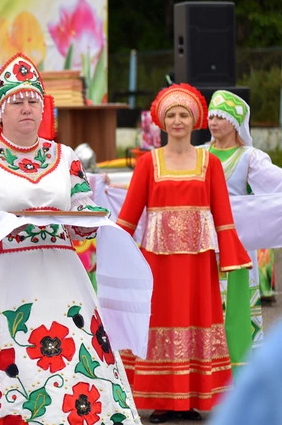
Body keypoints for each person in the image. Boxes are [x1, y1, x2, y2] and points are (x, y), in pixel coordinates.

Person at [0, 54, 140, 424]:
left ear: (43, 108)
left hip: (61, 276)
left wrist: (87, 221)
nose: (26, 108)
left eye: (33, 100)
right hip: (3, 276)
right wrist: (8, 222)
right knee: (5, 365)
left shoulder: (65, 157)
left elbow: (83, 216)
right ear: (0, 113)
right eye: (16, 102)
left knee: (73, 365)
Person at [116, 83, 252, 423]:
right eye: (172, 115)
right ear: (162, 122)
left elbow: (223, 216)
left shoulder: (210, 164)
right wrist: (110, 251)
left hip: (198, 264)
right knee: (159, 321)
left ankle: (193, 397)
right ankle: (162, 401)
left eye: (184, 115)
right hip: (157, 265)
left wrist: (233, 257)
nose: (178, 121)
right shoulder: (148, 163)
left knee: (196, 320)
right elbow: (129, 216)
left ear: (195, 121)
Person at [204, 90, 282, 364]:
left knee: (237, 306)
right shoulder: (200, 154)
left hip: (236, 242)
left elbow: (277, 184)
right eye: (211, 115)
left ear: (236, 123)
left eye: (220, 117)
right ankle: (209, 368)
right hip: (203, 241)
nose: (213, 122)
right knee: (206, 302)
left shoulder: (250, 157)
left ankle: (239, 365)